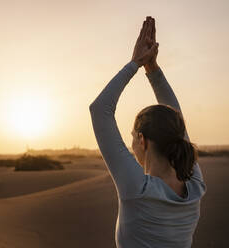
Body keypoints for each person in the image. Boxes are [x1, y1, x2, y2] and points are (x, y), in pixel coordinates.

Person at [89, 16, 207, 248]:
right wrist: (152, 69)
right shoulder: (195, 187)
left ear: (142, 140)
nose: (132, 145)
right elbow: (176, 121)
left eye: (133, 137)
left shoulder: (138, 189)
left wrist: (135, 63)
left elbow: (99, 110)